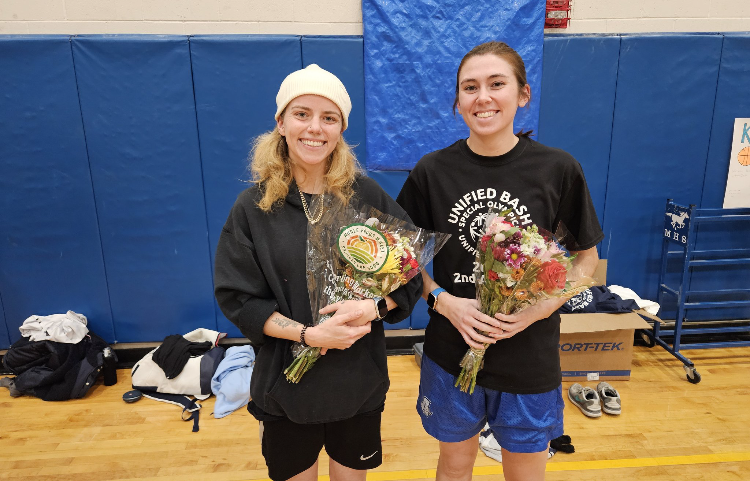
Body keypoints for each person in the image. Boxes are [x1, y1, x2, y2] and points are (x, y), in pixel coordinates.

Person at [396, 41, 603, 481]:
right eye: (469, 87)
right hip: (451, 352)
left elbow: (587, 260)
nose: (482, 97)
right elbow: (403, 260)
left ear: (523, 94)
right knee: (454, 468)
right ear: (457, 102)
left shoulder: (558, 169)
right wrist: (442, 300)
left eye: (496, 84)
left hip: (529, 355)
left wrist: (540, 308)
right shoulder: (431, 172)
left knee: (525, 473)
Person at [214, 64, 422, 481]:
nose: (315, 128)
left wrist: (374, 309)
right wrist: (308, 336)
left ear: (341, 129)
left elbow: (409, 278)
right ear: (281, 123)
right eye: (302, 113)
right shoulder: (253, 208)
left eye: (329, 118)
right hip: (284, 385)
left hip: (356, 380)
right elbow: (240, 299)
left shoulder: (366, 196)